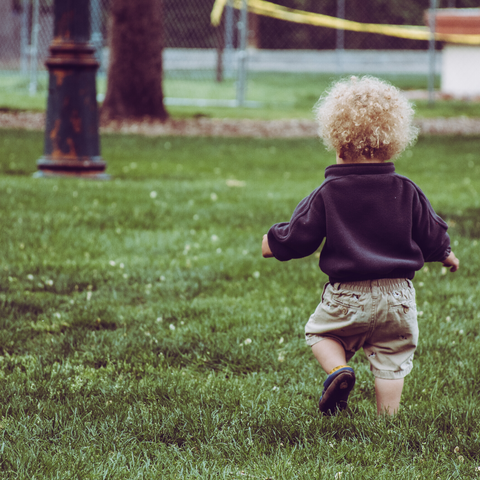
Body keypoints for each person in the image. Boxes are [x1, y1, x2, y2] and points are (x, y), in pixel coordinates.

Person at [262, 76, 459, 416]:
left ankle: (338, 371)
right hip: (398, 296)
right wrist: (445, 253)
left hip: (346, 296)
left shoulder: (328, 192)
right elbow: (431, 231)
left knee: (320, 334)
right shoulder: (407, 189)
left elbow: (300, 235)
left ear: (337, 145)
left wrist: (271, 243)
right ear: (392, 144)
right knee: (392, 357)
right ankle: (388, 420)